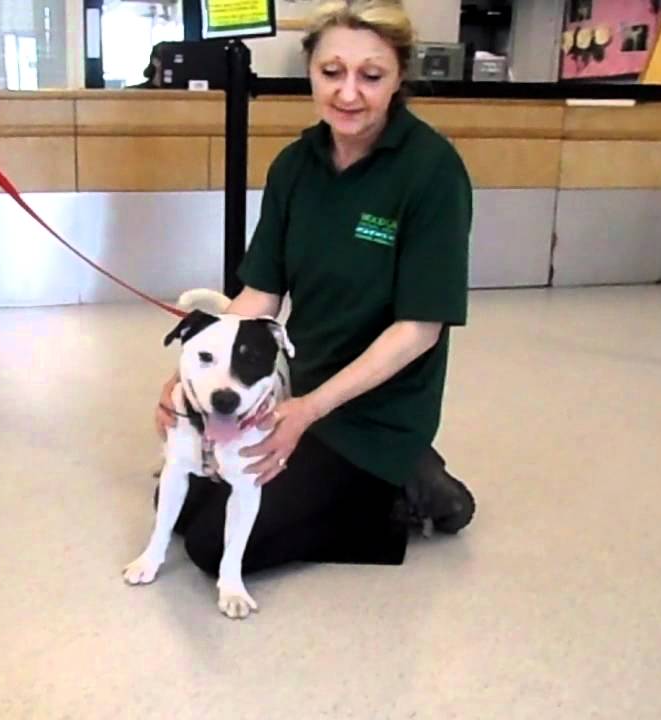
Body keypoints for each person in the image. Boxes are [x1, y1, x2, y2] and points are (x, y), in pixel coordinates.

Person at [154, 0, 476, 576]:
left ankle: (399, 492)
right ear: (310, 71)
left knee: (210, 546)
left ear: (399, 76)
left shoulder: (432, 171)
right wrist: (193, 380)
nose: (348, 94)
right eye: (332, 73)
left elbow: (419, 330)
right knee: (174, 506)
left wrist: (307, 412)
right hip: (293, 389)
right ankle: (373, 480)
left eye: (370, 76)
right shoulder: (295, 165)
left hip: (375, 413)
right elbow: (259, 298)